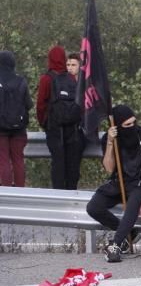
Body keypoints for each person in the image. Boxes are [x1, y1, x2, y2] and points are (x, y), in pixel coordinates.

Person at [86, 105, 141, 262]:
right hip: (117, 182)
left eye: (134, 122)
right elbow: (109, 168)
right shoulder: (110, 138)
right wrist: (110, 143)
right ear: (118, 126)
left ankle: (116, 245)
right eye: (127, 125)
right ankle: (130, 233)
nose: (132, 127)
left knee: (133, 206)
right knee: (93, 207)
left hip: (140, 182)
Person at [36, 46, 83, 189]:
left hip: (55, 129)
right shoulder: (72, 78)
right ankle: (71, 193)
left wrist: (44, 123)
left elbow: (40, 105)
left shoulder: (46, 78)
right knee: (71, 163)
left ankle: (58, 195)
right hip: (72, 128)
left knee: (58, 163)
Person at [0, 51, 31, 187]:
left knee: (3, 159)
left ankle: (6, 191)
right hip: (19, 127)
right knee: (18, 159)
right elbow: (28, 104)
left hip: (0, 128)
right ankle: (20, 190)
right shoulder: (21, 81)